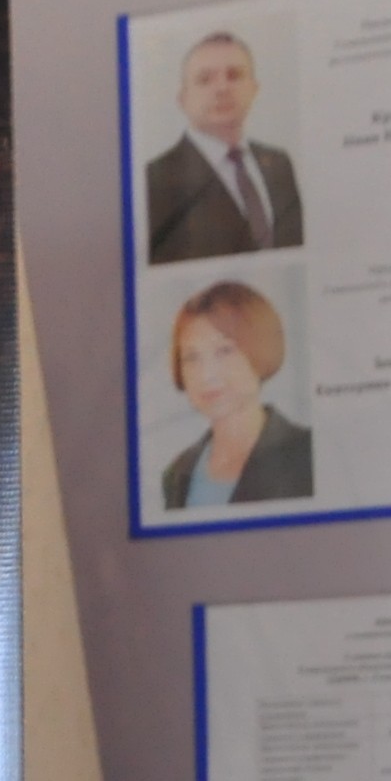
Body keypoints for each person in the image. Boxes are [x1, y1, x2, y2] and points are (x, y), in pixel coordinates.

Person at [142, 30, 302, 263]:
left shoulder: (279, 163)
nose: (222, 88)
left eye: (234, 75)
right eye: (205, 79)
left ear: (254, 89)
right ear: (183, 99)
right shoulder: (155, 179)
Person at [157, 282, 312, 511]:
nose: (206, 375)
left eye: (224, 351)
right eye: (191, 357)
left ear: (261, 349)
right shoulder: (176, 474)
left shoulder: (307, 454)